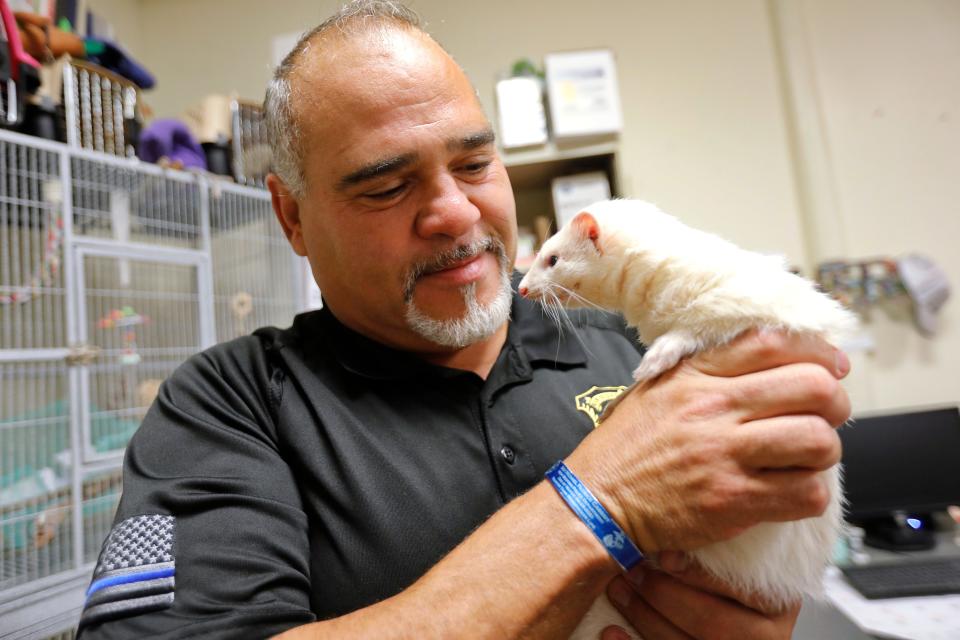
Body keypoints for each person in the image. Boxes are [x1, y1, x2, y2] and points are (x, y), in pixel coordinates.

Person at [76, 2, 851, 639]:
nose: (454, 212)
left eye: (476, 164)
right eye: (386, 187)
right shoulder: (230, 405)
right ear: (293, 217)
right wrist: (598, 501)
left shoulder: (632, 351)